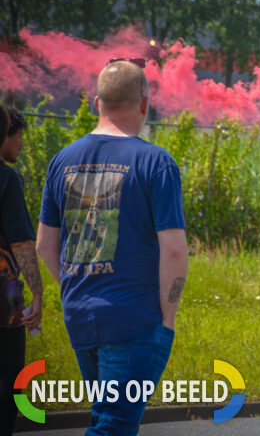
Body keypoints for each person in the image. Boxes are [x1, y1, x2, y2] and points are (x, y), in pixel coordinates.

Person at [36, 59, 188, 436]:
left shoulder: (61, 161)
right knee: (113, 428)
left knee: (106, 415)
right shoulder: (156, 163)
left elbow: (44, 245)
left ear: (95, 102)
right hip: (134, 320)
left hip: (80, 315)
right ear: (144, 103)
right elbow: (173, 251)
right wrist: (168, 319)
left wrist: (76, 287)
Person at [0, 106, 44, 435]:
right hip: (5, 301)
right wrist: (38, 294)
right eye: (18, 135)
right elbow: (22, 244)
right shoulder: (7, 179)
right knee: (10, 381)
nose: (21, 143)